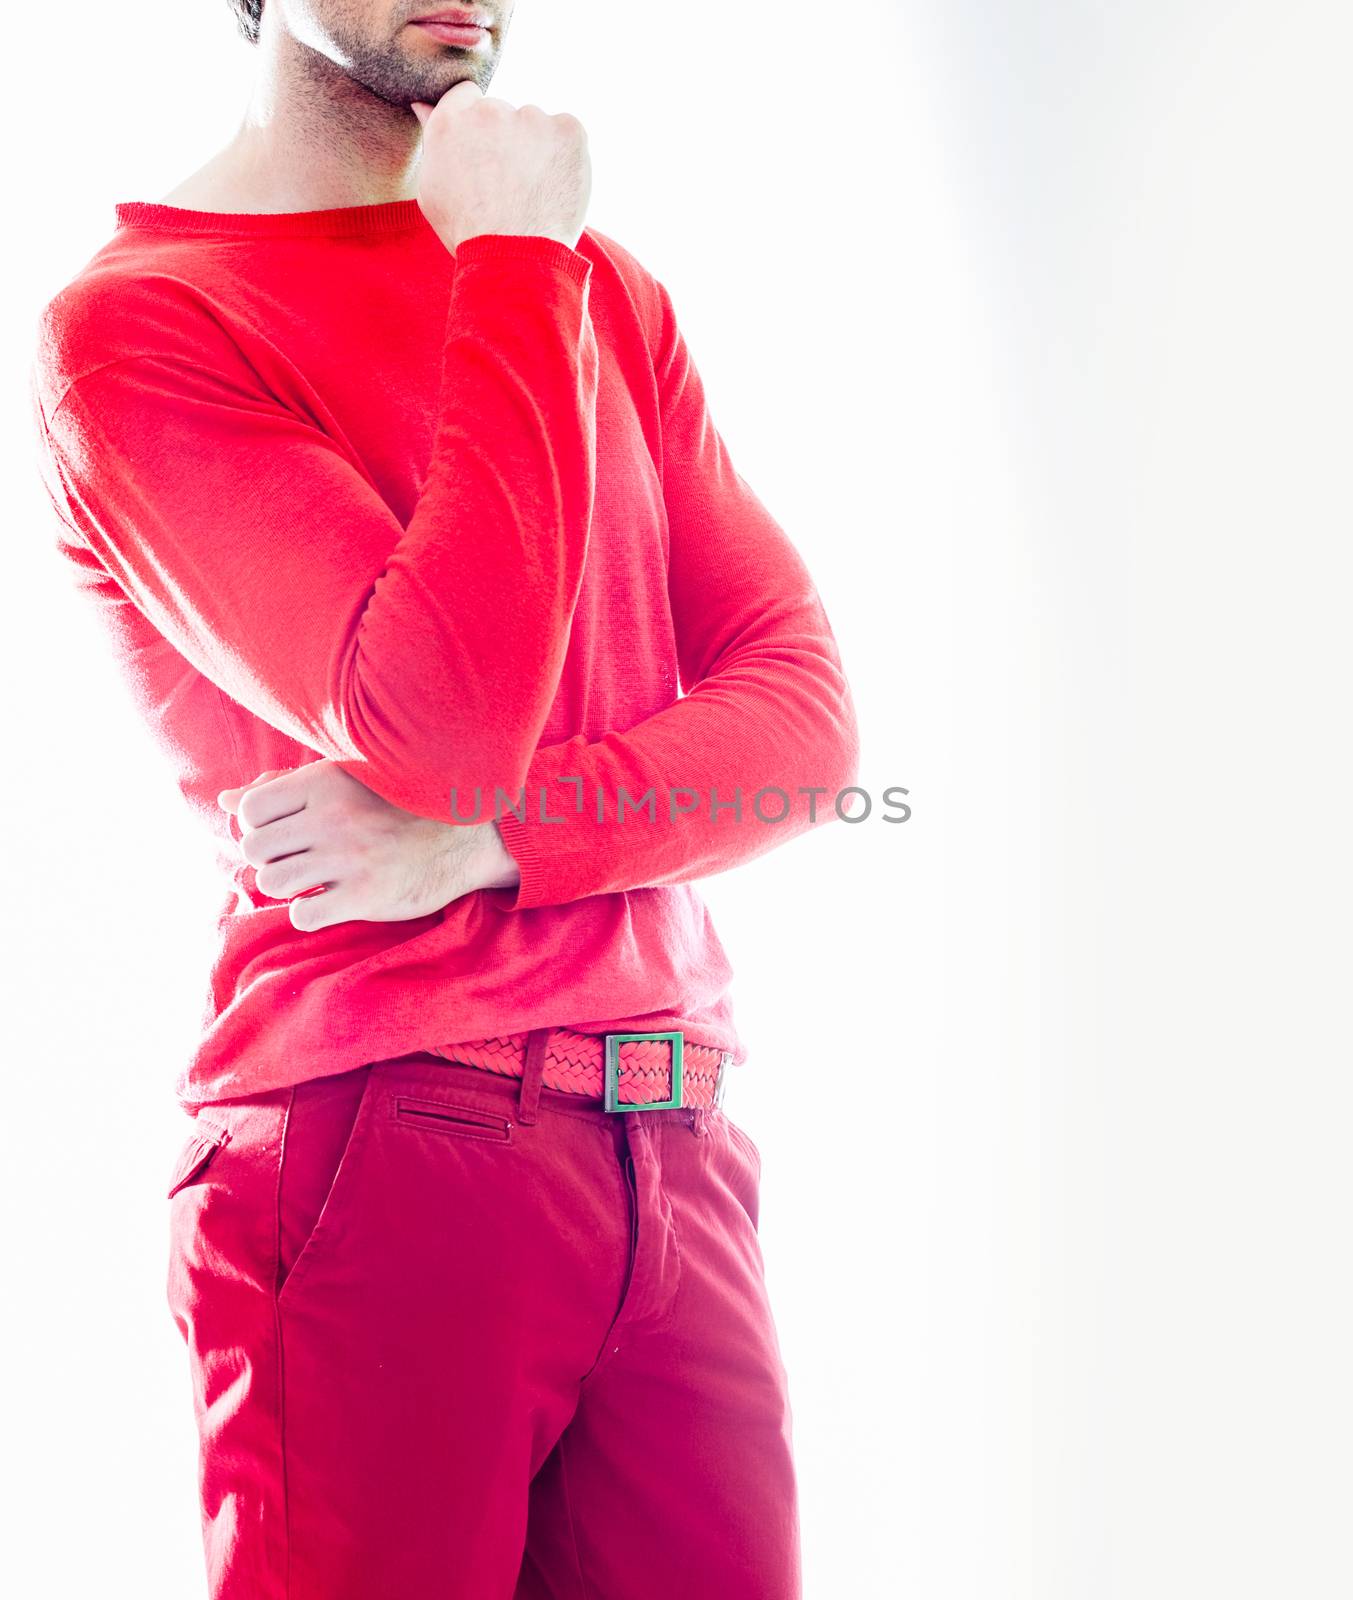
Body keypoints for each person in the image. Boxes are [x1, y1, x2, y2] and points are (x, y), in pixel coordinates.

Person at [28, 2, 860, 1595]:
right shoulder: (146, 327)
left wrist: (492, 845)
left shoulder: (600, 290)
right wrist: (511, 267)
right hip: (385, 1139)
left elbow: (806, 733)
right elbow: (436, 727)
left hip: (671, 1134)